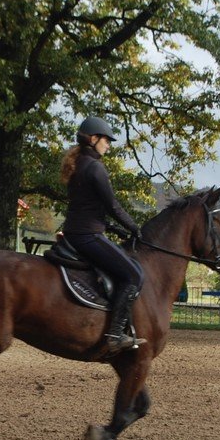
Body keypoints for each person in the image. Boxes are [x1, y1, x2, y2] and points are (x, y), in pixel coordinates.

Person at [61, 116, 145, 352]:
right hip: (87, 236)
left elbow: (88, 207)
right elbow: (112, 205)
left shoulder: (78, 165)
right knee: (133, 275)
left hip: (77, 231)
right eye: (106, 139)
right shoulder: (95, 168)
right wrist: (134, 227)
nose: (108, 144)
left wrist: (112, 227)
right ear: (93, 139)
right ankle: (115, 335)